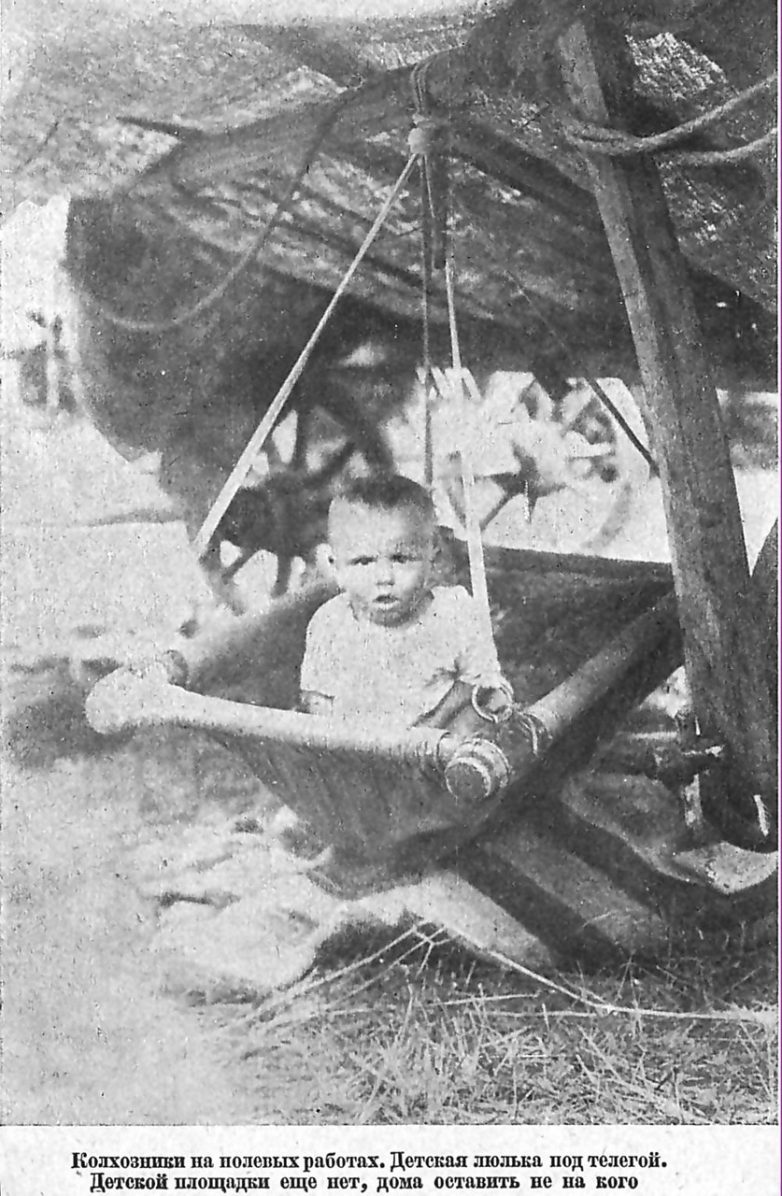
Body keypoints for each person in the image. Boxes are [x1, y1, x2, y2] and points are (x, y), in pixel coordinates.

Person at [300, 474, 512, 734]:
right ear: (337, 567)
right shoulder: (331, 623)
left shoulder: (452, 613)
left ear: (431, 555)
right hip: (357, 742)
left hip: (439, 732)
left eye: (400, 559)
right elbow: (317, 695)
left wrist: (432, 725)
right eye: (363, 562)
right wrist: (340, 737)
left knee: (485, 709)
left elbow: (479, 681)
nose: (384, 578)